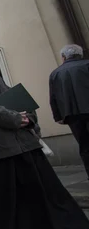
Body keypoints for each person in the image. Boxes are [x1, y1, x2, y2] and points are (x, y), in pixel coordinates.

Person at [0, 31, 89, 229]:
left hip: (19, 138)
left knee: (47, 186)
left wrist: (28, 116)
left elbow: (10, 96)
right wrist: (14, 118)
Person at [49, 44, 89, 179]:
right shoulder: (87, 65)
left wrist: (58, 116)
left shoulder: (55, 73)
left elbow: (53, 97)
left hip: (72, 115)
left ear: (63, 57)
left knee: (84, 146)